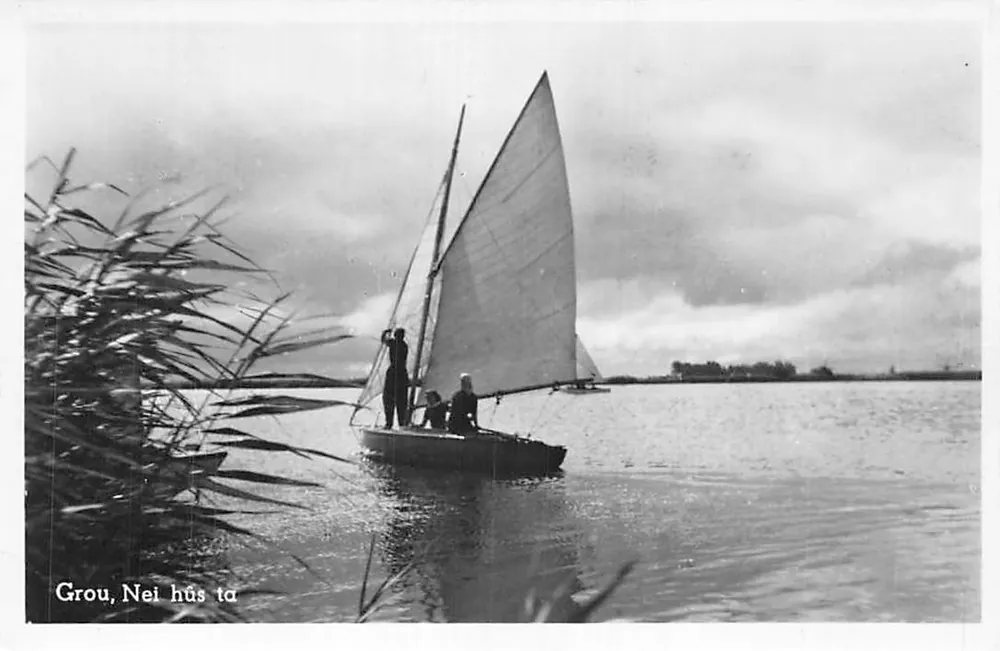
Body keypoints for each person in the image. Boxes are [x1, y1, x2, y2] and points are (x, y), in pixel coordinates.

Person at [381, 327, 409, 428]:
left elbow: (383, 339)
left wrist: (386, 331)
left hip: (394, 373)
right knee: (401, 401)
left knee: (389, 398)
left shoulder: (394, 343)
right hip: (402, 374)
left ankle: (389, 423)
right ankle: (402, 423)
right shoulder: (404, 345)